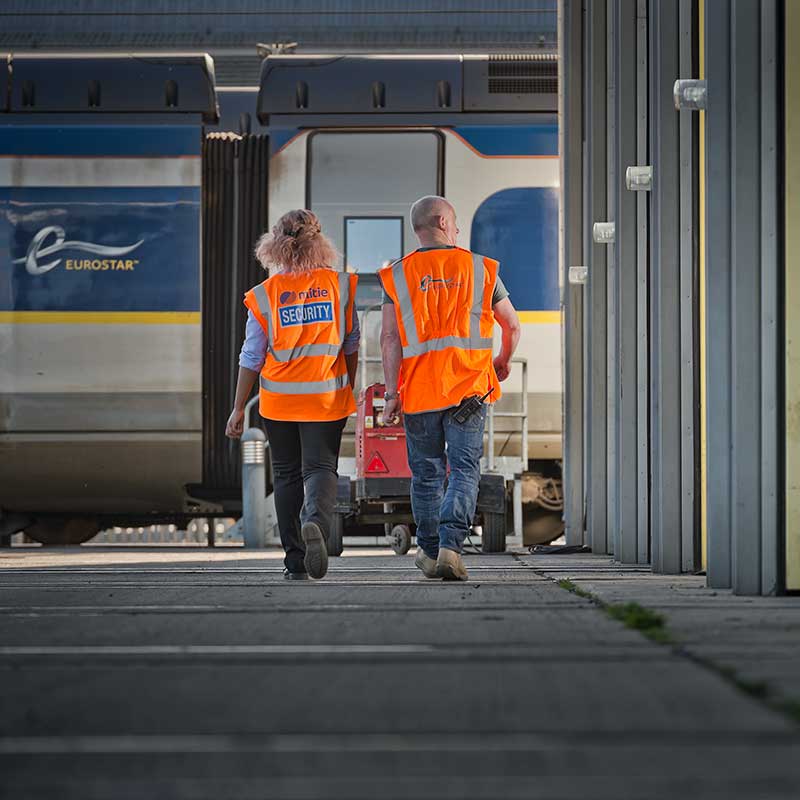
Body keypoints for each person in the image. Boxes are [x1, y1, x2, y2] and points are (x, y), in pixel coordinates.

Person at [379, 196, 521, 581]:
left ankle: (428, 550)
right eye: (456, 224)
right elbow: (512, 325)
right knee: (463, 470)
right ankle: (450, 547)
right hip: (469, 390)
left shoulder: (397, 275)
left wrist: (391, 395)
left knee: (425, 474)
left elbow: (389, 339)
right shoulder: (480, 269)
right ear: (443, 221)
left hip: (420, 392)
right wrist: (502, 361)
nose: (457, 231)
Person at [226, 209, 359, 581]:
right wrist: (349, 382)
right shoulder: (342, 286)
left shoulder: (265, 296)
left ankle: (295, 561)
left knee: (285, 476)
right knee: (319, 468)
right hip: (326, 397)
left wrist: (238, 408)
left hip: (279, 400)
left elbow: (251, 355)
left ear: (275, 246)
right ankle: (315, 520)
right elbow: (351, 342)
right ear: (321, 242)